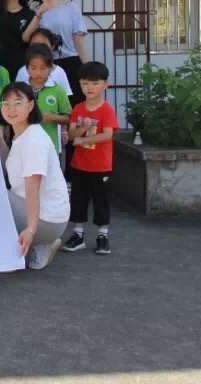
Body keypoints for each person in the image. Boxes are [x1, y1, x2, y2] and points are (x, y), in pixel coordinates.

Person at [0, 83, 70, 271]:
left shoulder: (34, 140)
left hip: (46, 219)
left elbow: (32, 187)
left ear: (31, 105)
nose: (11, 109)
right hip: (45, 216)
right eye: (6, 103)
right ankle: (41, 245)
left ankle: (17, 251)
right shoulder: (22, 134)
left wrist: (30, 229)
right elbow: (9, 168)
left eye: (17, 103)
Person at [62, 61, 119, 256]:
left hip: (101, 166)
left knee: (101, 200)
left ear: (105, 85)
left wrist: (83, 139)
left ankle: (103, 236)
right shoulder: (78, 108)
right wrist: (83, 129)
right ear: (80, 84)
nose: (90, 87)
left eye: (95, 83)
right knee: (78, 199)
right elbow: (71, 134)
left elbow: (108, 135)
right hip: (80, 164)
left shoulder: (107, 109)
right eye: (85, 83)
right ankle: (78, 234)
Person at [24, 0, 89, 105]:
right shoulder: (34, 11)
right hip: (44, 65)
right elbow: (26, 38)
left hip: (70, 61)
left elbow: (78, 40)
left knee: (74, 104)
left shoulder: (71, 7)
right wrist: (39, 13)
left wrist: (87, 67)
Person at [25, 45, 72, 154]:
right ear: (27, 68)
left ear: (50, 68)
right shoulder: (21, 89)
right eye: (33, 68)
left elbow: (68, 117)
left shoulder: (58, 90)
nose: (38, 72)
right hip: (26, 145)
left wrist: (51, 117)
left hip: (50, 145)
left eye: (43, 68)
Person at [14, 29, 73, 96]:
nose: (39, 49)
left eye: (43, 45)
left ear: (52, 47)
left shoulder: (59, 72)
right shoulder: (23, 71)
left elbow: (66, 97)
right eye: (35, 45)